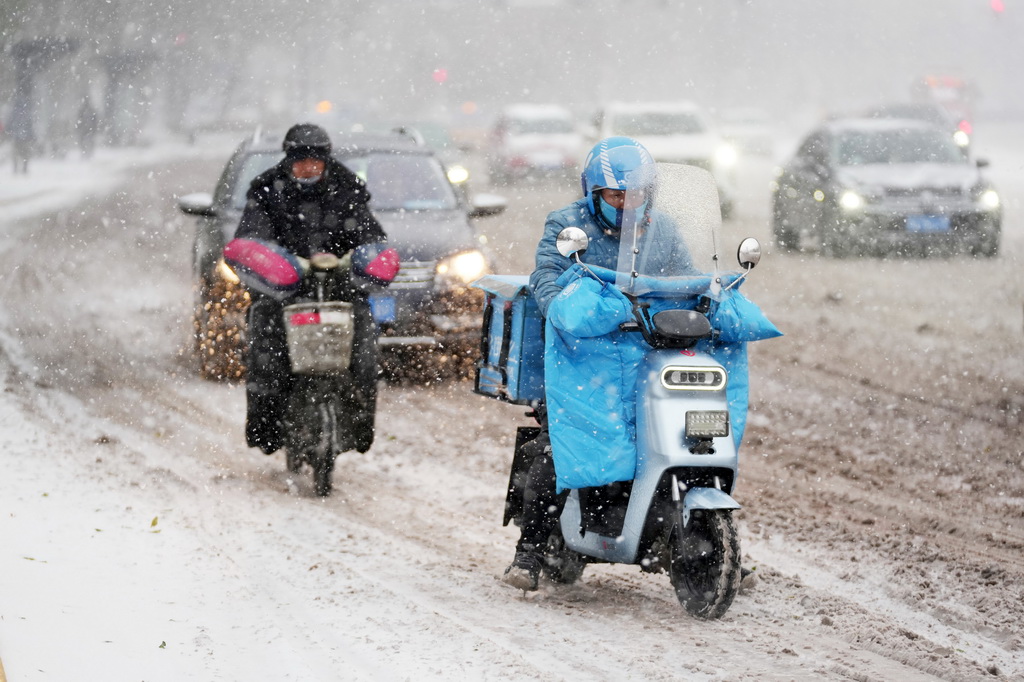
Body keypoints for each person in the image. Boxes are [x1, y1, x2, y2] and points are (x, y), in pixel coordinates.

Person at [502, 136, 694, 591]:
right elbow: (545, 277)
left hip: (647, 356)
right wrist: (565, 307)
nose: (628, 204)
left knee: (685, 434)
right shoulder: (567, 225)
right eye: (616, 195)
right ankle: (527, 553)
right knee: (563, 443)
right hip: (582, 360)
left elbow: (688, 278)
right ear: (593, 193)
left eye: (638, 194)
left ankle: (691, 535)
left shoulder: (663, 229)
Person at [234, 123, 389, 456]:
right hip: (282, 295)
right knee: (267, 361)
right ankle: (268, 432)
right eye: (300, 160)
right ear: (289, 160)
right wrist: (280, 265)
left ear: (326, 160)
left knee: (362, 361)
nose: (308, 166)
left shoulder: (348, 189)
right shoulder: (265, 191)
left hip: (340, 291)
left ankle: (358, 429)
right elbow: (252, 237)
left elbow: (369, 235)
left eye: (315, 160)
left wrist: (360, 259)